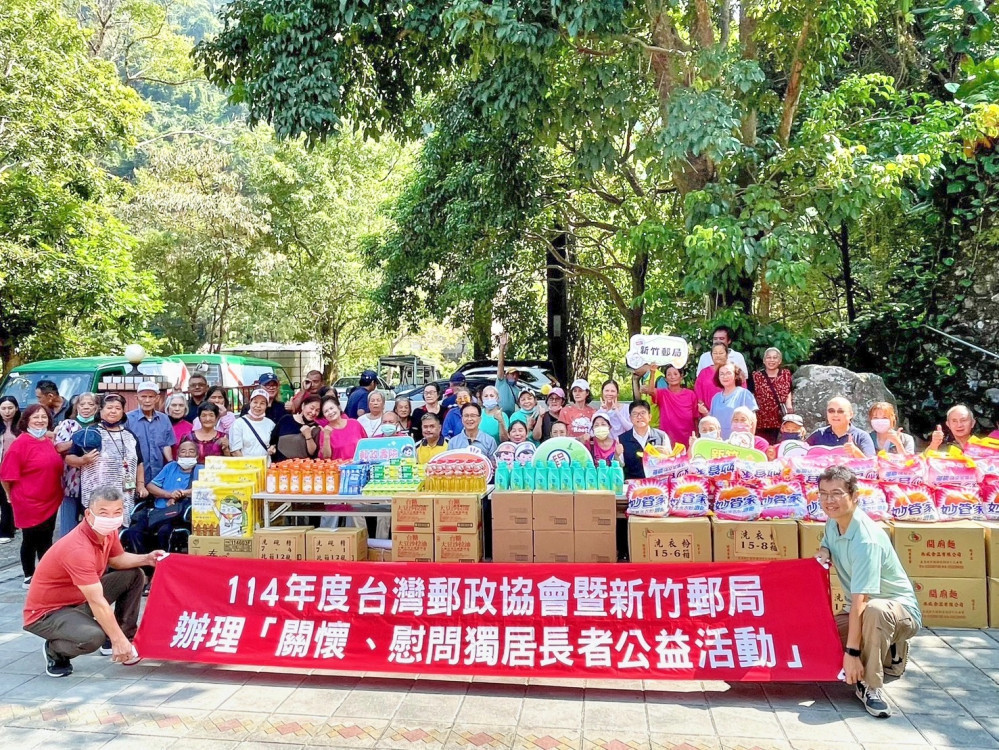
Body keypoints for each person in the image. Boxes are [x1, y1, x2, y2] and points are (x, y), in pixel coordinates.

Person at [23, 485, 162, 678]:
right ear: (88, 514)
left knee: (134, 575)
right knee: (92, 637)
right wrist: (116, 638)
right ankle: (55, 651)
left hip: (79, 599)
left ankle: (125, 637)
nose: (111, 518)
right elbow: (97, 601)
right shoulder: (78, 549)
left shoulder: (108, 532)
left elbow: (118, 560)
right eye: (103, 513)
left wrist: (147, 559)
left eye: (117, 512)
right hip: (48, 613)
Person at [816, 466, 921, 718]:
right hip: (861, 610)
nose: (829, 500)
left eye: (837, 493)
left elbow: (861, 602)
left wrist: (852, 654)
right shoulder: (834, 522)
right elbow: (827, 544)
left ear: (854, 496)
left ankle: (871, 686)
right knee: (818, 637)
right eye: (823, 493)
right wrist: (824, 552)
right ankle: (891, 653)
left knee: (874, 610)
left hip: (894, 610)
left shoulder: (866, 540)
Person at [0, 404, 64, 589]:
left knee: (47, 538)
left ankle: (46, 574)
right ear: (26, 420)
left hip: (51, 498)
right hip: (28, 500)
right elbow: (6, 476)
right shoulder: (20, 444)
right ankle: (29, 575)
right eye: (35, 417)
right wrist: (9, 495)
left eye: (44, 417)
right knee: (31, 539)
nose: (40, 420)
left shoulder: (47, 441)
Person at [67, 394, 146, 525]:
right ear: (100, 410)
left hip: (125, 494)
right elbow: (69, 458)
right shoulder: (89, 433)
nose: (113, 411)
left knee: (120, 527)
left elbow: (139, 462)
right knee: (98, 527)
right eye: (109, 408)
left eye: (118, 408)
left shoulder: (130, 435)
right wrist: (83, 460)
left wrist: (141, 485)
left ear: (123, 412)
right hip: (96, 493)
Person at [124, 439, 201, 559]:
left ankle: (162, 564)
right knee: (133, 531)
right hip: (156, 512)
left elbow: (206, 488)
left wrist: (182, 493)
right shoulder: (170, 467)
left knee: (164, 532)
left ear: (197, 455)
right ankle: (144, 563)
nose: (187, 454)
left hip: (176, 514)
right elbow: (150, 486)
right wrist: (169, 495)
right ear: (177, 455)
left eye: (191, 451)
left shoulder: (201, 470)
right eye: (183, 451)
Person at [53, 392, 99, 539]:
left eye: (90, 404)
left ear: (96, 408)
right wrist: (79, 440)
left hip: (95, 480)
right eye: (82, 404)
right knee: (69, 520)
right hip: (71, 479)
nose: (86, 407)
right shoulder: (68, 424)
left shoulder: (100, 426)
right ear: (76, 406)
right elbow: (59, 447)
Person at [126, 382, 174, 484]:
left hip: (159, 474)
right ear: (137, 398)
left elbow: (166, 444)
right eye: (143, 396)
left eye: (151, 397)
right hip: (135, 475)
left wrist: (171, 464)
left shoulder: (164, 419)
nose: (147, 400)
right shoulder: (128, 419)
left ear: (157, 398)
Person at [640, 365, 698, 449]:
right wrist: (652, 372)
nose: (672, 377)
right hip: (667, 436)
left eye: (675, 374)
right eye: (669, 374)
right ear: (666, 379)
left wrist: (696, 435)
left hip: (687, 436)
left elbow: (695, 417)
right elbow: (651, 391)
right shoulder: (662, 393)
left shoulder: (690, 394)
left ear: (681, 377)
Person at [751, 347, 794, 444]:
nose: (771, 360)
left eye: (775, 358)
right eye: (769, 357)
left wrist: (789, 406)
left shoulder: (786, 374)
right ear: (764, 360)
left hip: (780, 417)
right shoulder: (756, 376)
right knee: (763, 444)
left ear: (780, 361)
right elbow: (751, 395)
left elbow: (789, 391)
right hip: (761, 419)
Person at [808, 397, 877, 457]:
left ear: (850, 414)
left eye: (840, 411)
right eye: (831, 411)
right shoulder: (819, 434)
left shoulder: (861, 436)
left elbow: (872, 464)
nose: (835, 415)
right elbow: (802, 454)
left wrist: (856, 452)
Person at [619, 401, 670, 480]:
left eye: (643, 413)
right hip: (633, 483)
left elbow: (670, 462)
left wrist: (666, 455)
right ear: (630, 418)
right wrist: (617, 454)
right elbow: (620, 465)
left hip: (657, 483)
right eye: (635, 414)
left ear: (649, 417)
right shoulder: (622, 439)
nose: (639, 417)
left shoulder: (661, 436)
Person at [709, 364, 758, 438]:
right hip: (718, 441)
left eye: (728, 373)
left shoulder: (744, 394)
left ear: (736, 376)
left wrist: (750, 439)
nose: (725, 376)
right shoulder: (716, 398)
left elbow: (753, 420)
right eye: (721, 374)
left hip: (739, 441)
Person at [228, 389, 276, 459]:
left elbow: (274, 443)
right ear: (250, 403)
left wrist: (273, 448)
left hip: (266, 464)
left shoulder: (271, 424)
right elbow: (235, 451)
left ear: (266, 405)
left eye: (262, 403)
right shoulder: (239, 423)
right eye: (255, 402)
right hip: (245, 465)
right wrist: (247, 464)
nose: (258, 406)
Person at [271, 395, 320, 462]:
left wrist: (308, 435)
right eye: (311, 408)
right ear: (303, 406)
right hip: (281, 465)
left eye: (317, 410)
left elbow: (312, 453)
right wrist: (272, 448)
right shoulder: (286, 419)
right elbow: (273, 440)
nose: (313, 412)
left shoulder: (316, 428)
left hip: (302, 466)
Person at [0, 396, 20, 543]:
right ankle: (6, 528)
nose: (7, 411)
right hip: (1, 466)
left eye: (10, 408)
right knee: (3, 497)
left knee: (12, 497)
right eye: (3, 408)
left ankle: (10, 526)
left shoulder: (22, 425)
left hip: (17, 467)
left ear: (16, 408)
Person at [694, 343, 728, 418]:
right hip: (708, 415)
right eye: (715, 353)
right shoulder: (704, 373)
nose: (718, 355)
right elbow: (698, 394)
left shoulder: (734, 371)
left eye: (721, 353)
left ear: (727, 354)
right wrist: (706, 413)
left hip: (731, 415)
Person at [495, 333, 521, 415]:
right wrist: (502, 347)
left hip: (510, 418)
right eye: (512, 374)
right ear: (506, 375)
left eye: (516, 375)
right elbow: (500, 364)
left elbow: (521, 404)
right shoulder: (501, 381)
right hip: (498, 415)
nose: (514, 376)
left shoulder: (517, 390)